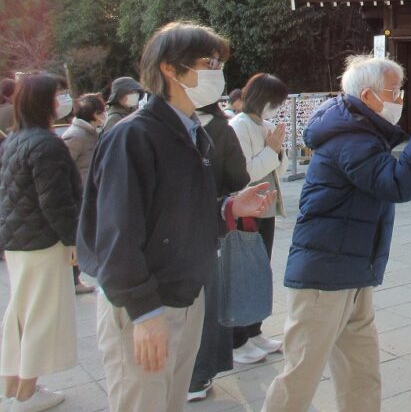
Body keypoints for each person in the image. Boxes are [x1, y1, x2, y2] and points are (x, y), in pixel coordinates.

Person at [77, 21, 277, 412]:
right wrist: (144, 313)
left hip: (186, 295)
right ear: (169, 68)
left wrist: (229, 208)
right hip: (147, 304)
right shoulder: (133, 136)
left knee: (171, 402)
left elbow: (179, 211)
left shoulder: (191, 131)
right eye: (208, 61)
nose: (216, 71)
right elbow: (116, 233)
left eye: (218, 62)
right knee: (143, 402)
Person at [261, 54, 411, 412]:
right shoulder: (350, 137)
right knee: (301, 375)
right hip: (323, 276)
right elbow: (397, 183)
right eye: (394, 91)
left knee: (361, 373)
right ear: (367, 97)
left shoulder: (358, 130)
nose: (399, 99)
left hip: (353, 272)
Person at [0, 74, 82, 412]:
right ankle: (27, 393)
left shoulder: (15, 140)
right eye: (58, 94)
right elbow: (56, 201)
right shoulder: (46, 144)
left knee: (20, 313)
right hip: (43, 242)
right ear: (45, 101)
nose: (62, 99)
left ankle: (14, 387)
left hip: (18, 241)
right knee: (40, 316)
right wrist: (73, 239)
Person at [186, 101, 251, 402]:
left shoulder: (144, 125)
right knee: (209, 303)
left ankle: (189, 377)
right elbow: (239, 177)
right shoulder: (220, 128)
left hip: (171, 237)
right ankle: (198, 375)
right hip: (209, 225)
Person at [227, 73, 288, 365]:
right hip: (247, 211)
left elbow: (279, 167)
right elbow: (245, 172)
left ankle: (255, 330)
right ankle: (238, 339)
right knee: (244, 274)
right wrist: (272, 150)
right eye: (274, 102)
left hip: (266, 208)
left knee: (261, 271)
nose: (276, 108)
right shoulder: (238, 126)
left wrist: (278, 150)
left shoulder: (264, 125)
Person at [60, 93, 107, 295]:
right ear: (93, 114)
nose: (103, 115)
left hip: (89, 191)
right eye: (100, 112)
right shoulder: (76, 135)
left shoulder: (90, 133)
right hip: (79, 193)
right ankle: (74, 278)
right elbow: (62, 167)